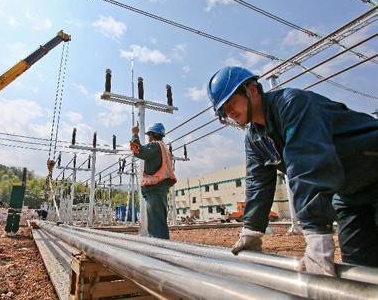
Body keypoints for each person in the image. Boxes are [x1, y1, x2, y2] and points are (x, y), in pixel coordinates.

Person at [207, 66, 378, 275]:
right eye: (223, 110)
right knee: (361, 267)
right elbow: (257, 183)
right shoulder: (254, 138)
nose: (229, 112)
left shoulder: (292, 104)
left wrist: (315, 234)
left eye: (231, 102)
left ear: (251, 89)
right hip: (349, 194)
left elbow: (307, 165)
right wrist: (252, 230)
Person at [130, 122, 177, 239]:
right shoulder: (164, 147)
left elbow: (138, 151)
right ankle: (161, 246)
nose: (148, 137)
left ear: (152, 135)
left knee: (156, 222)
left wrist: (135, 134)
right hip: (159, 187)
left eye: (149, 135)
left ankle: (160, 249)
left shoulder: (155, 145)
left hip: (155, 187)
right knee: (158, 220)